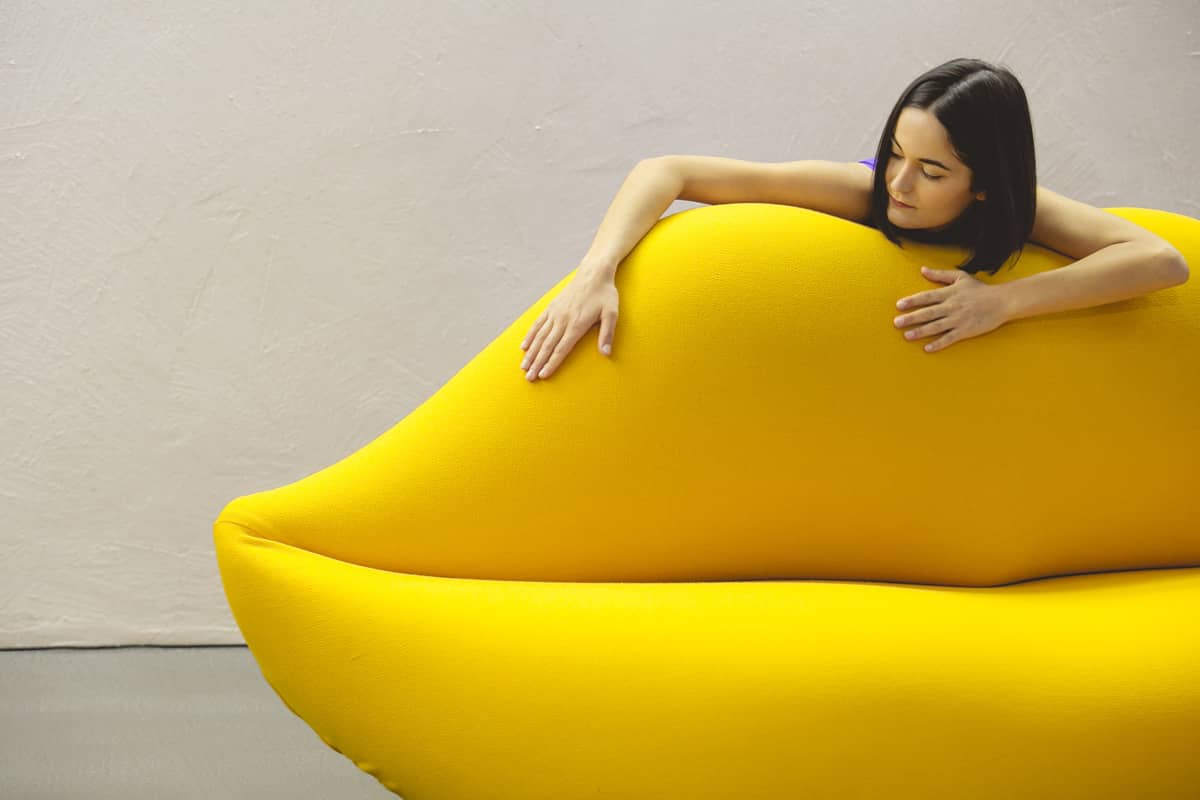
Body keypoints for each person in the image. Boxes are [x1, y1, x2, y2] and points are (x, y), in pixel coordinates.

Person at [519, 57, 1038, 382]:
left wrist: (1002, 302)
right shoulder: (862, 190)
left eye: (931, 172)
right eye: (896, 155)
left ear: (986, 185)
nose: (899, 184)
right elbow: (667, 170)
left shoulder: (1016, 209)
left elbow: (1101, 260)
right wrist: (597, 271)